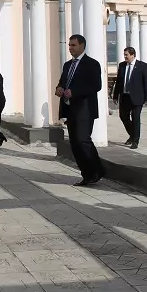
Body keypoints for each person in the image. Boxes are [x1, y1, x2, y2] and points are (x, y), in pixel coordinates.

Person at [56, 34, 104, 186]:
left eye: (73, 45)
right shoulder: (67, 65)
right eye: (69, 45)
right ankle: (87, 174)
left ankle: (96, 171)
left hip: (85, 109)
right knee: (75, 143)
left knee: (83, 140)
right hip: (70, 109)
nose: (70, 48)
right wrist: (59, 88)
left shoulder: (92, 64)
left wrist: (75, 92)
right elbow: (63, 81)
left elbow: (96, 85)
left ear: (82, 46)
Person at [111, 47, 147, 149]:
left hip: (137, 98)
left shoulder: (142, 66)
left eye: (126, 55)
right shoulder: (122, 66)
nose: (125, 56)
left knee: (135, 118)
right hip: (124, 97)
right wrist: (115, 96)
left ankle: (135, 141)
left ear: (133, 55)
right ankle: (132, 135)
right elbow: (119, 82)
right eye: (124, 54)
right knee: (123, 117)